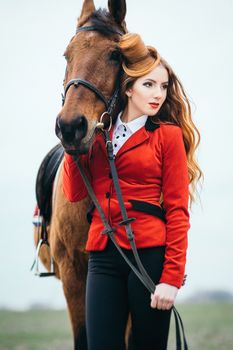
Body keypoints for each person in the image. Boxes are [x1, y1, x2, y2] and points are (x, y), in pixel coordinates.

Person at [62, 33, 202, 350]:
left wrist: (170, 277)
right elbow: (73, 193)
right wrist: (72, 148)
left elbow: (179, 212)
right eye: (149, 85)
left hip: (149, 256)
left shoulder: (168, 136)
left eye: (164, 87)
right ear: (128, 88)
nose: (158, 95)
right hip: (102, 256)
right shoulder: (98, 136)